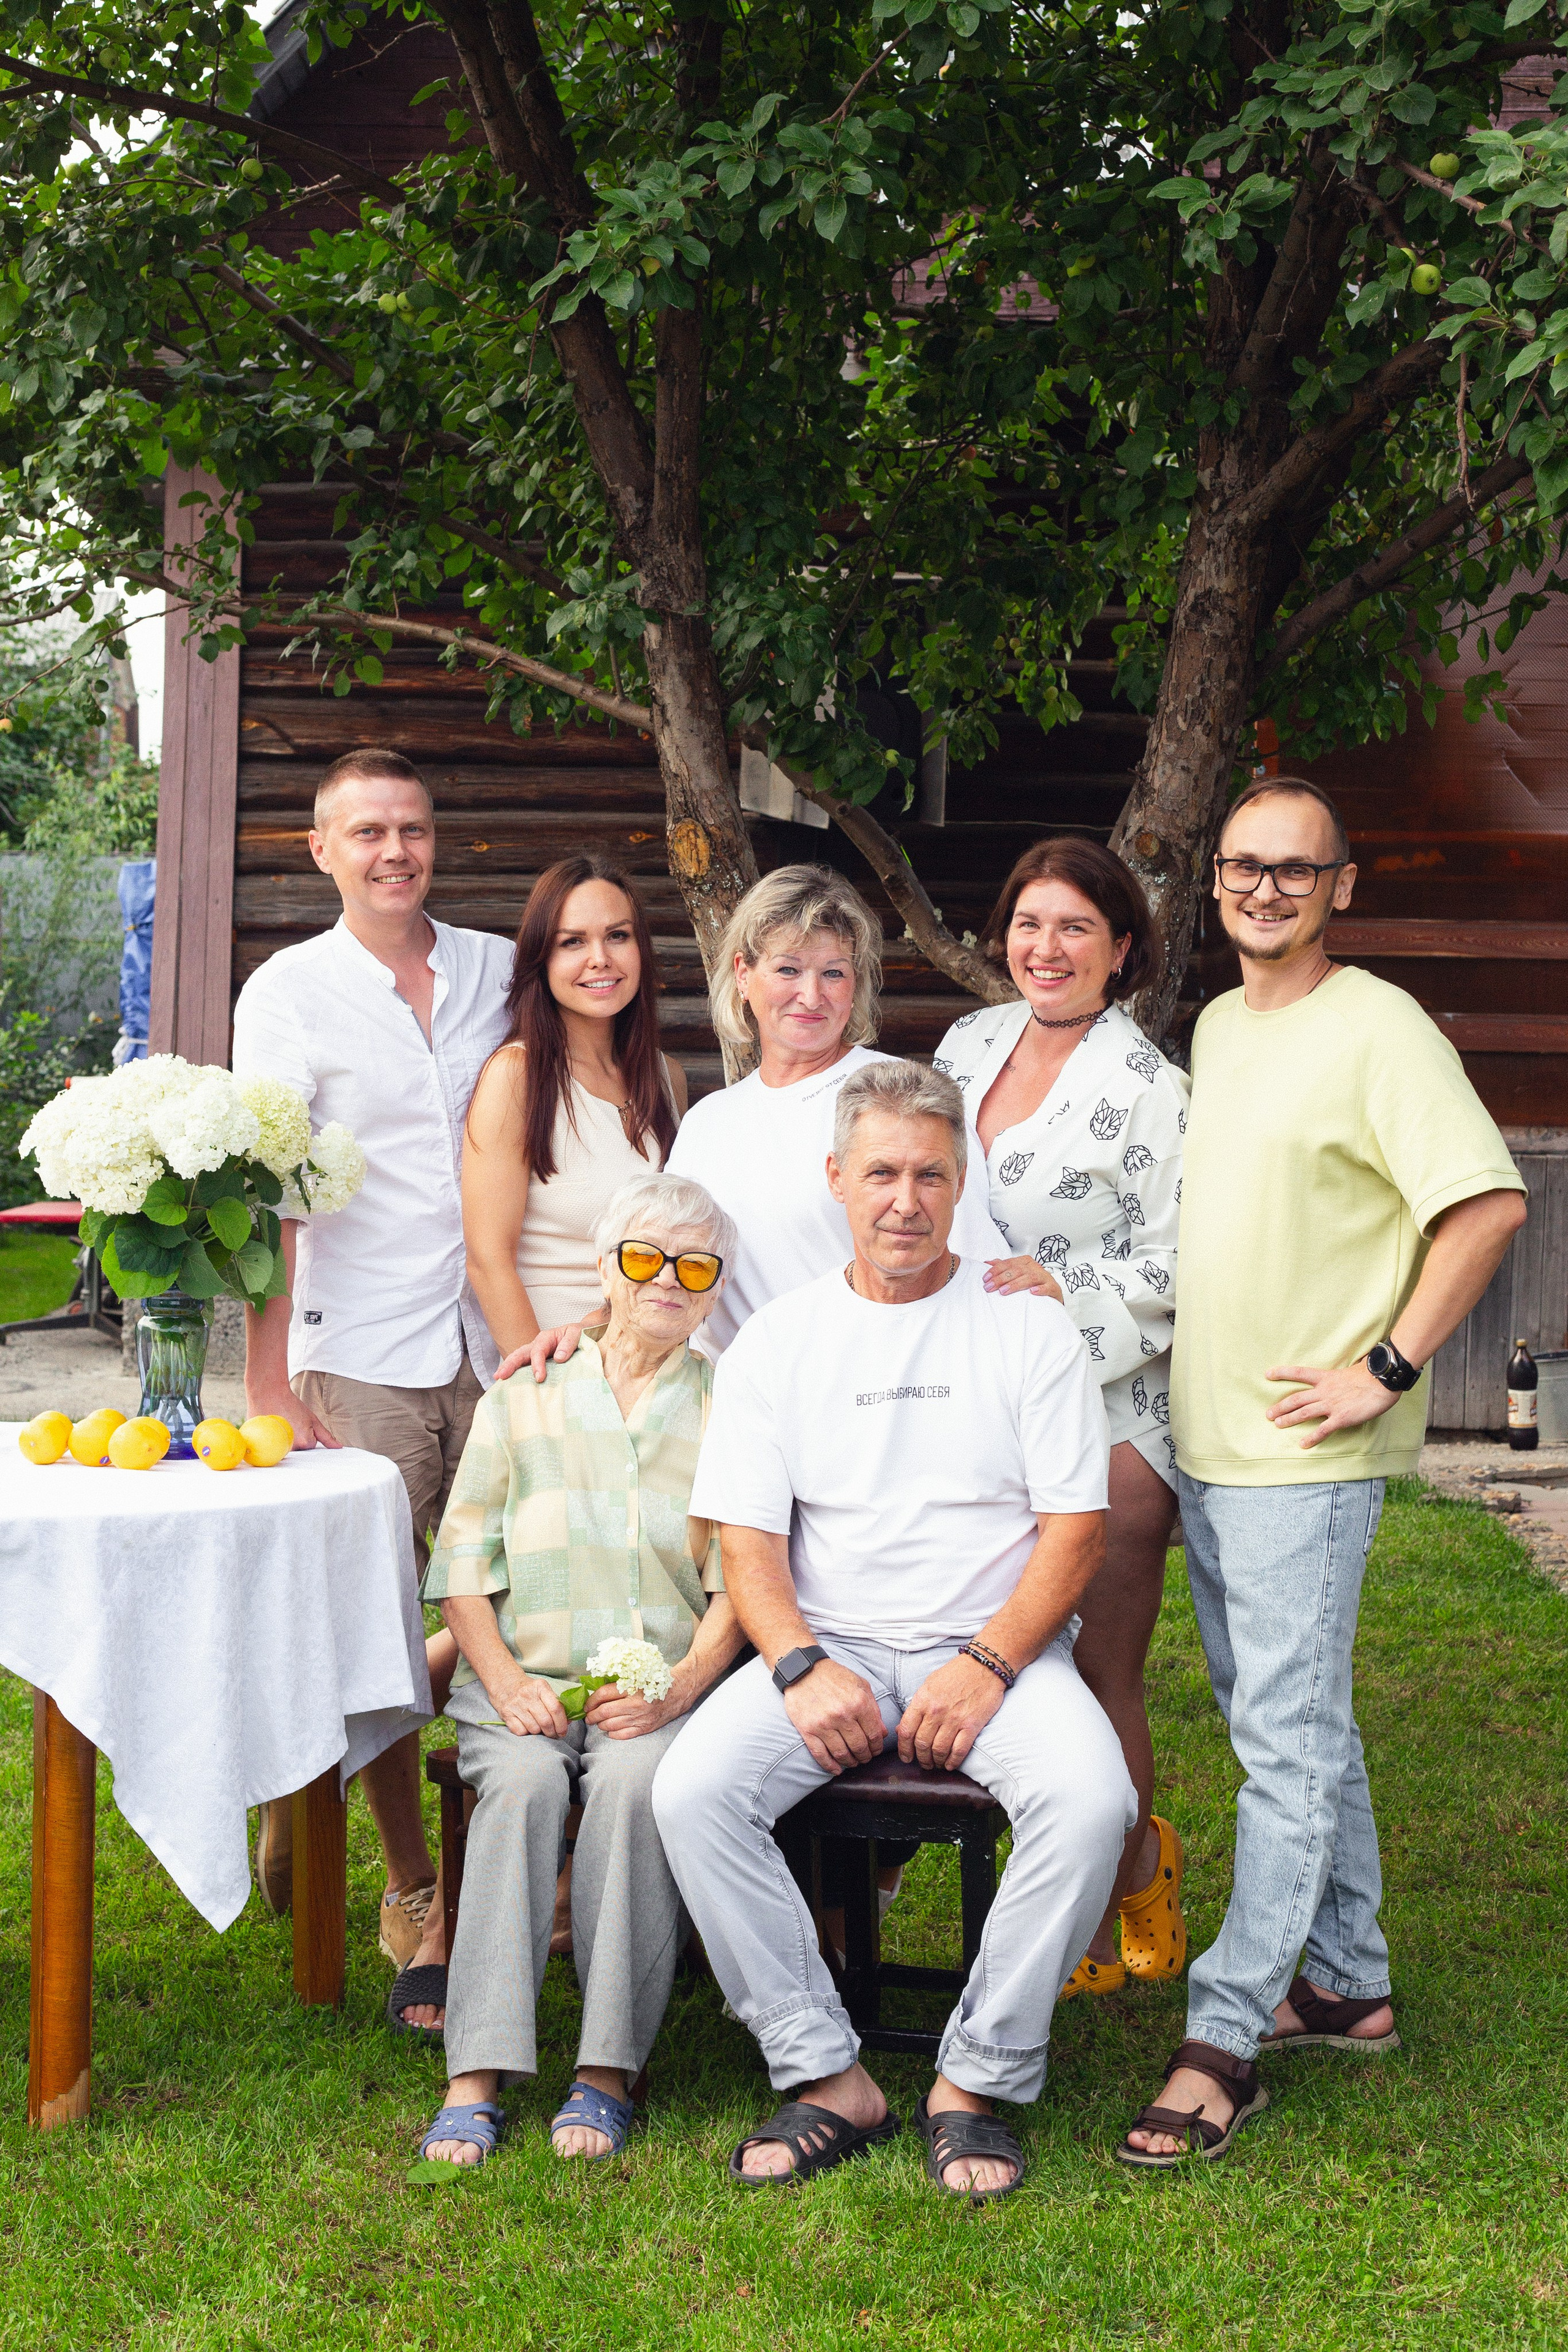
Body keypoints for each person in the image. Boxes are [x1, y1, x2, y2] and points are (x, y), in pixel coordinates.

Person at [1120, 777, 1528, 2170]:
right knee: (1295, 1723)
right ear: (1216, 881)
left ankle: (1221, 2036)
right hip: (1212, 1438)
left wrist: (1386, 1367)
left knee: (1282, 1751)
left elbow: (1486, 1204)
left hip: (1306, 1451)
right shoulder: (1221, 1026)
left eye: (1296, 869)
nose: (1265, 888)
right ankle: (1346, 1983)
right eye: (1245, 866)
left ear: (1339, 885)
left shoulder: (1380, 1027)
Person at [652, 1060, 1134, 2200]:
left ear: (962, 1183)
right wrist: (800, 1664)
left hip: (1000, 1648)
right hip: (836, 1646)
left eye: (930, 1175)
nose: (905, 1202)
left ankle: (975, 2079)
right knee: (693, 1792)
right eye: (880, 1175)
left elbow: (1075, 1535)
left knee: (1092, 1800)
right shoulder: (780, 1339)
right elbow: (749, 1544)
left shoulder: (1027, 1331)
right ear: (836, 1179)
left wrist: (987, 1664)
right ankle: (824, 2072)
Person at [509, 864, 1014, 1947]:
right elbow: (674, 1259)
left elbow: (970, 1258)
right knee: (709, 1626)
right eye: (787, 969)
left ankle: (845, 1901)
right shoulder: (716, 1122)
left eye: (835, 973)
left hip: (882, 1426)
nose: (811, 995)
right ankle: (644, 1878)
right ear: (742, 976)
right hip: (742, 1427)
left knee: (844, 1653)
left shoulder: (890, 1095)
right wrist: (586, 1330)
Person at [230, 746, 512, 1986]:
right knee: (379, 1617)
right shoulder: (289, 992)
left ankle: (315, 1755)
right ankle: (411, 1884)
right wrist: (268, 1382)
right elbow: (264, 1190)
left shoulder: (496, 970)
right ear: (322, 850)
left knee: (514, 1599)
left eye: (412, 829)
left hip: (496, 1342)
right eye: (367, 833)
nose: (394, 852)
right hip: (360, 1347)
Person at [414, 1172, 744, 2169]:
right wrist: (507, 1682)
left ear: (715, 1289)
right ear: (604, 1270)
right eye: (644, 1258)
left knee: (638, 1791)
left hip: (661, 1695)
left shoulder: (731, 1409)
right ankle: (476, 2075)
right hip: (522, 1680)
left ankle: (606, 2070)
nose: (667, 1281)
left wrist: (682, 1686)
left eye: (695, 1268)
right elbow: (462, 1568)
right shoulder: (524, 1393)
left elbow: (742, 1585)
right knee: (519, 1789)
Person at [934, 839, 1188, 2000]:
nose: (1048, 948)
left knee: (1098, 1674)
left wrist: (1066, 1289)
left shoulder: (1151, 1088)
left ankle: (1118, 1889)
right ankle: (1092, 1864)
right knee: (1008, 1656)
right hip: (981, 1403)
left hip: (1112, 1411)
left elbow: (1180, 1262)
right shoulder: (967, 1045)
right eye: (1030, 924)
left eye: (1077, 927)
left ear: (1121, 949)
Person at [461, 854, 687, 1354]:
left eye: (618, 936)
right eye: (573, 942)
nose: (600, 958)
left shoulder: (666, 1078)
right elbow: (487, 1260)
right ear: (541, 959)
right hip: (557, 1368)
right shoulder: (517, 1076)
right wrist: (541, 1385)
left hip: (653, 1366)